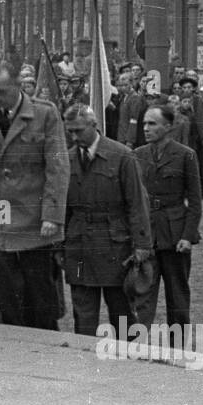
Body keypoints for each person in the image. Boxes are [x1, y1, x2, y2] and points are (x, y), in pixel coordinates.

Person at [0, 61, 69, 330]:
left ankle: (43, 344)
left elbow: (57, 167)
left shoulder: (44, 114)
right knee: (5, 294)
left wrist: (52, 215)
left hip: (34, 218)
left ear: (17, 86)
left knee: (40, 296)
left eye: (3, 91)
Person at [61, 103, 152, 338]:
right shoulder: (67, 159)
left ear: (94, 125)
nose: (74, 137)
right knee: (83, 315)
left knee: (122, 313)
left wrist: (142, 244)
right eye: (70, 131)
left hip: (115, 246)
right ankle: (84, 359)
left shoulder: (121, 155)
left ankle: (129, 357)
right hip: (79, 245)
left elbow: (137, 203)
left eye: (78, 131)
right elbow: (63, 208)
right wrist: (59, 245)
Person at [133, 105, 202, 336]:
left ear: (168, 126)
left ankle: (177, 349)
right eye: (144, 123)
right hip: (147, 236)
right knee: (142, 295)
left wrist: (188, 237)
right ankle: (137, 346)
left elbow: (195, 201)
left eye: (152, 123)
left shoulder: (185, 155)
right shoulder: (137, 154)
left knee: (177, 296)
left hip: (175, 236)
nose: (146, 128)